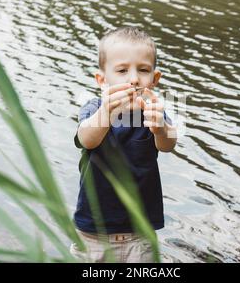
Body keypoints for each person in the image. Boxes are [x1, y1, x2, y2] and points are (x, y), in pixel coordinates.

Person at [71, 26, 177, 262]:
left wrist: (160, 128)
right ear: (102, 80)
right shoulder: (93, 109)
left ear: (155, 79)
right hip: (93, 233)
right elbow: (87, 140)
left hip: (139, 233)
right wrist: (106, 113)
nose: (133, 79)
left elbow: (168, 144)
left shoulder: (153, 112)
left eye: (143, 70)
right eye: (121, 70)